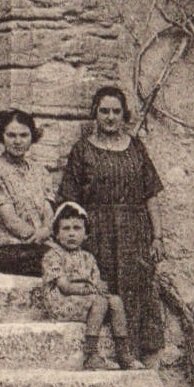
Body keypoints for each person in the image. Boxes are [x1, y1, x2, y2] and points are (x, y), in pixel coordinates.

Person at [56, 84, 165, 365]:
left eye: (116, 111)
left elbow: (150, 194)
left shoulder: (136, 148)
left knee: (138, 290)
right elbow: (70, 201)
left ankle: (139, 356)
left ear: (124, 115)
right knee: (104, 291)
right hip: (98, 233)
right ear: (95, 113)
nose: (110, 117)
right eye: (104, 111)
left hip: (134, 232)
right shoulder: (82, 151)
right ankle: (101, 355)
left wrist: (157, 236)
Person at [39, 202, 144, 370]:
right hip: (62, 302)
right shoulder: (53, 256)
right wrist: (91, 290)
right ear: (57, 234)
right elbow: (64, 287)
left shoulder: (88, 258)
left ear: (86, 234)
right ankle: (91, 354)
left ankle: (123, 352)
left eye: (77, 228)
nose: (71, 234)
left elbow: (97, 283)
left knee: (115, 301)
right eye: (65, 229)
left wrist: (100, 289)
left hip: (86, 299)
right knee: (100, 302)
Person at [0, 109, 54, 274]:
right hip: (14, 250)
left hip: (42, 245)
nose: (18, 141)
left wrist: (47, 229)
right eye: (11, 135)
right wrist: (39, 236)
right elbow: (11, 221)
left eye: (24, 135)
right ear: (2, 137)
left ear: (32, 137)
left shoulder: (40, 171)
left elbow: (48, 210)